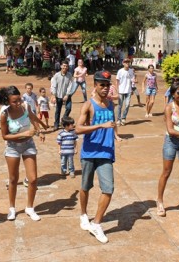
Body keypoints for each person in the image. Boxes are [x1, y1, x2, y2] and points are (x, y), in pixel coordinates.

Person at [76, 70, 121, 244]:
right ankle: (83, 214)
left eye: (107, 85)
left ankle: (97, 223)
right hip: (89, 152)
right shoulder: (88, 105)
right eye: (101, 84)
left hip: (106, 153)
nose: (105, 88)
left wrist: (116, 135)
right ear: (94, 85)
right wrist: (100, 125)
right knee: (85, 186)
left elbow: (113, 123)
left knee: (108, 189)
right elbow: (78, 129)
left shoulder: (110, 104)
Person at [0, 86, 45, 221]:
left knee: (33, 179)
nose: (18, 103)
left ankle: (30, 207)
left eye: (19, 99)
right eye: (14, 101)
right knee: (13, 179)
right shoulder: (4, 114)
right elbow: (4, 136)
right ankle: (12, 208)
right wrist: (23, 133)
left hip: (28, 144)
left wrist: (39, 130)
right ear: (7, 101)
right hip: (12, 147)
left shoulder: (25, 106)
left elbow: (33, 117)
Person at [157, 82, 179, 223]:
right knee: (166, 172)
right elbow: (171, 130)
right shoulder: (168, 108)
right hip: (170, 143)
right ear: (173, 94)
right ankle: (159, 200)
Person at [50, 60, 74, 131]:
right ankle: (56, 124)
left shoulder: (69, 75)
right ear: (61, 66)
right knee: (58, 110)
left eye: (66, 66)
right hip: (58, 95)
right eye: (63, 66)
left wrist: (67, 95)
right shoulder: (56, 75)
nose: (65, 67)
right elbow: (54, 86)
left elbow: (70, 85)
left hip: (67, 95)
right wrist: (54, 95)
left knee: (69, 108)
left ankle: (63, 119)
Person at [116, 58, 133, 126]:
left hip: (128, 90)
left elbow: (132, 80)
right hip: (121, 90)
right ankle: (118, 119)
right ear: (123, 63)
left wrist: (132, 89)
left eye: (128, 62)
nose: (127, 63)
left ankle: (123, 118)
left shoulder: (131, 71)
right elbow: (117, 80)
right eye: (126, 62)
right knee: (120, 105)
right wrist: (117, 89)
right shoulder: (120, 71)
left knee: (127, 105)